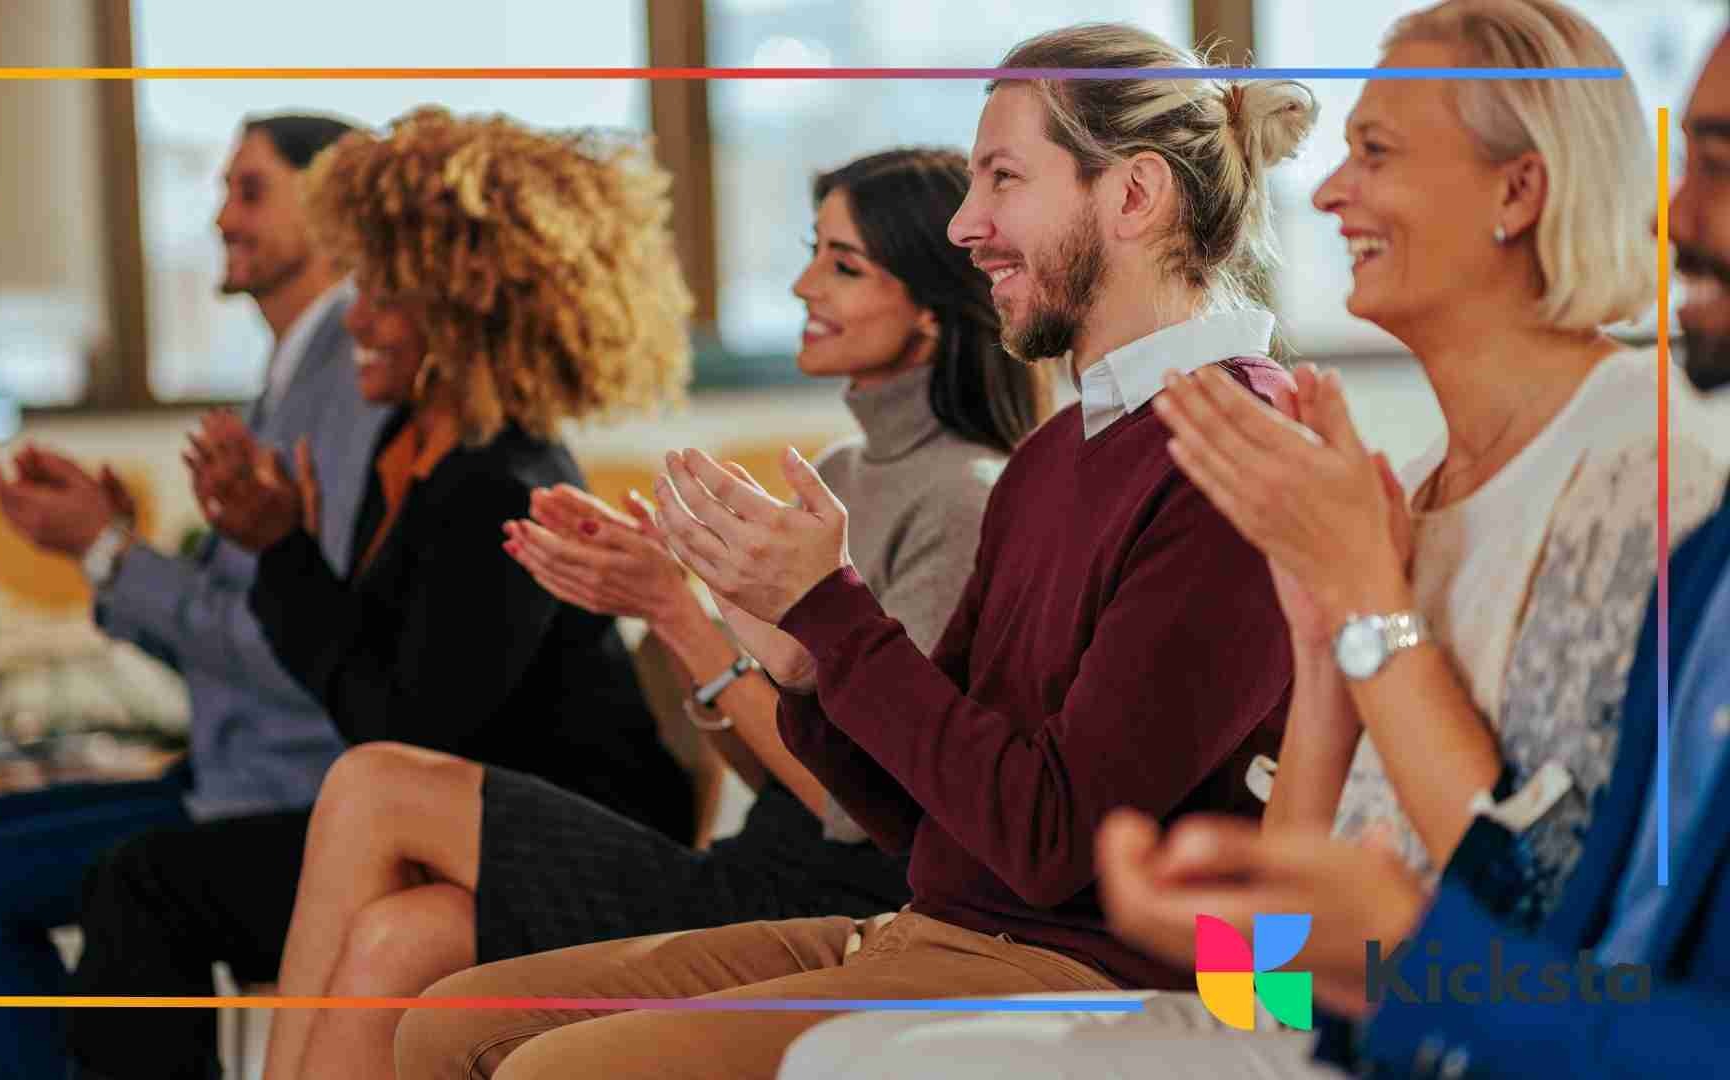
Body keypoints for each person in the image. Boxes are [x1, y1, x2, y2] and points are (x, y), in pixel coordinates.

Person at [786, 7, 1730, 1079]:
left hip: (1442, 1035)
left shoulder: (1636, 474)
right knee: (849, 1058)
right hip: (1323, 1016)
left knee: (857, 1064)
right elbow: (1273, 963)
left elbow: (1545, 902)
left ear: (1519, 192)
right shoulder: (1412, 483)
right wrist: (1210, 917)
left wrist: (1364, 600)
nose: (1325, 190)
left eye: (1374, 153)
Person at [392, 23, 1317, 1079]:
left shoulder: (1232, 455)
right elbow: (920, 824)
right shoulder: (1059, 453)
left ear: (1134, 197)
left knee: (557, 1066)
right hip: (941, 927)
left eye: (1003, 178)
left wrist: (833, 611)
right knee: (448, 1023)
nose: (969, 225)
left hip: (1091, 969)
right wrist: (802, 666)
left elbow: (1050, 837)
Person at [258, 147, 1053, 1080]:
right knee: (401, 933)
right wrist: (672, 603)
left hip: (833, 888)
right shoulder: (842, 470)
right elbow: (761, 758)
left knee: (377, 782)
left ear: (929, 306)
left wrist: (677, 611)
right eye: (812, 252)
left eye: (843, 265)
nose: (801, 283)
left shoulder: (961, 496)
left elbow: (858, 811)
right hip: (758, 860)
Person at [63, 107, 698, 1080]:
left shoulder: (504, 481)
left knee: (149, 883)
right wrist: (277, 546)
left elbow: (397, 726)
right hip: (466, 813)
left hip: (570, 831)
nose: (355, 318)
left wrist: (282, 552)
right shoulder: (415, 454)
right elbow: (372, 687)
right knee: (147, 877)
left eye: (387, 295)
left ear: (464, 306)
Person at [0, 112, 385, 1080]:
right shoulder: (289, 382)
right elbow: (257, 608)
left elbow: (293, 647)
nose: (221, 219)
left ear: (330, 216)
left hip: (283, 787)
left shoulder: (346, 389)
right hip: (231, 763)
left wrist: (115, 554)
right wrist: (110, 547)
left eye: (251, 191)